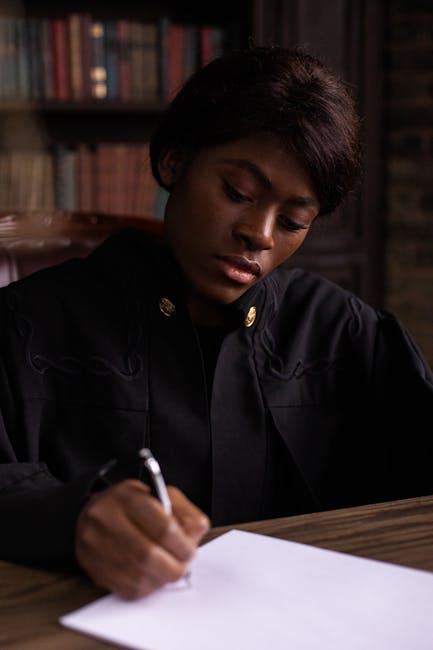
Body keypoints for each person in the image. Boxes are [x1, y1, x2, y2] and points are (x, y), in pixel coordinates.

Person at [0, 45, 432, 600]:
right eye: (238, 193)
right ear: (175, 161)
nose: (260, 233)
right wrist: (73, 517)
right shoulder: (31, 324)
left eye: (295, 221)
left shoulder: (343, 332)